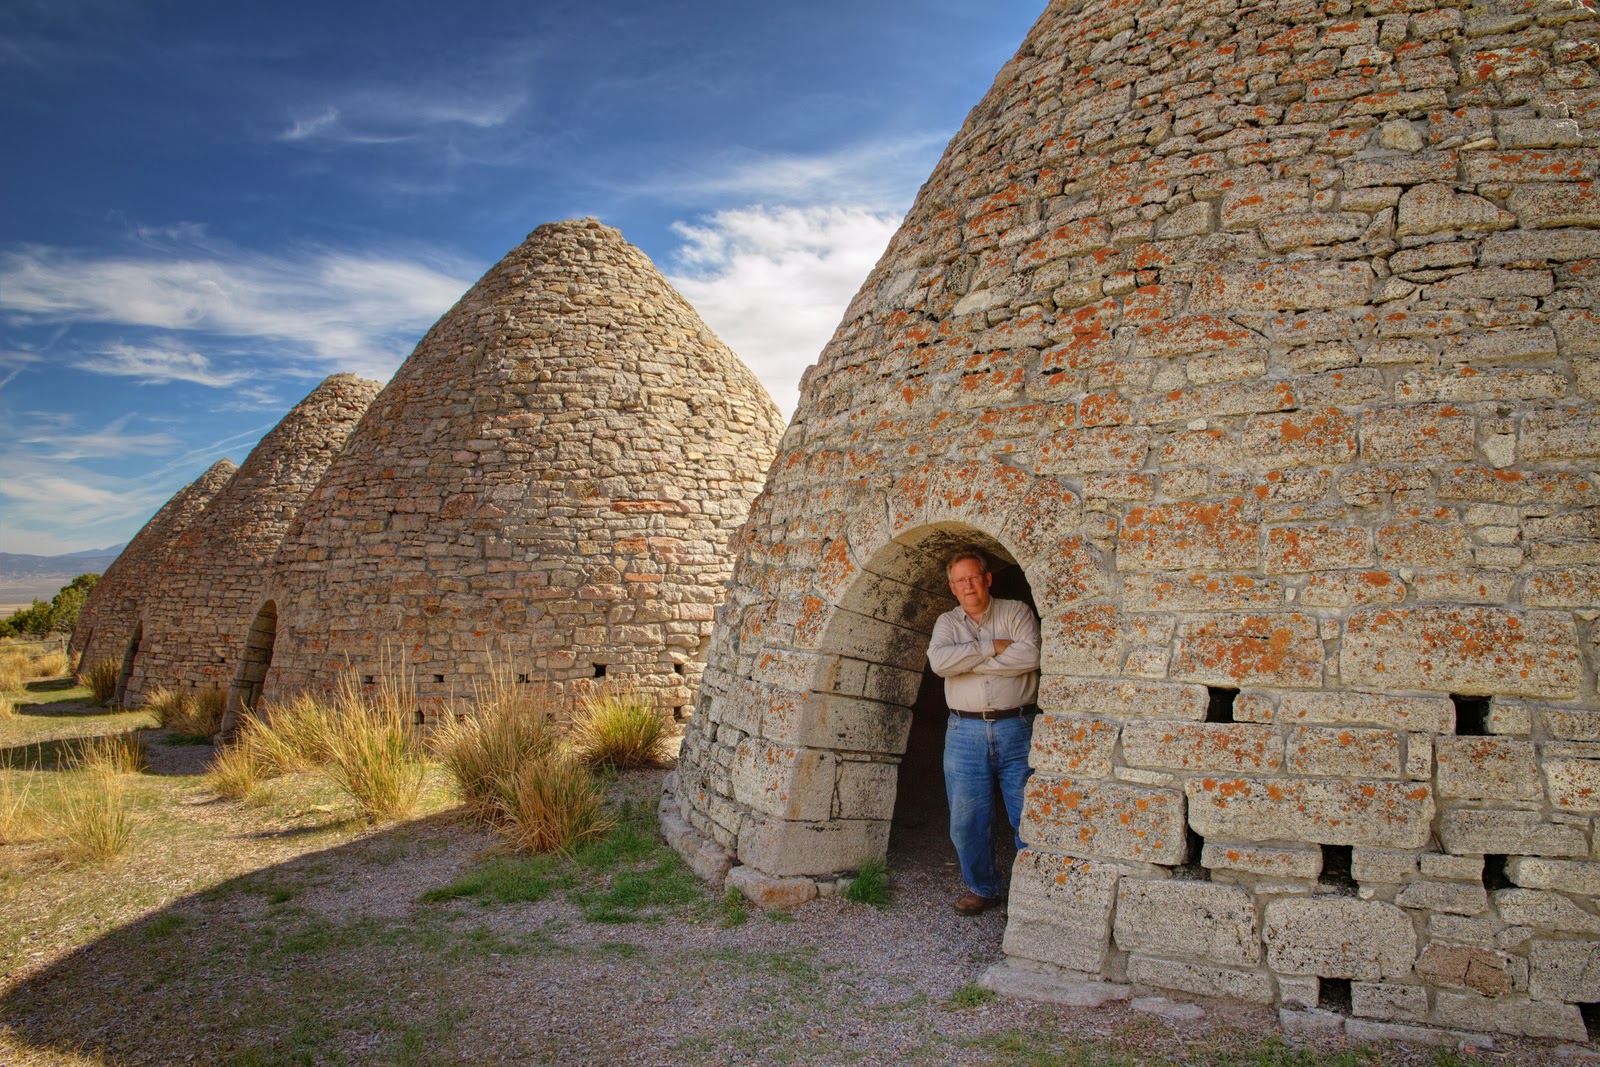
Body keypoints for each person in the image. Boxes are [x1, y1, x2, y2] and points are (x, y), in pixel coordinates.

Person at [927, 549, 1040, 914]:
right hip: (965, 731)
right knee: (966, 820)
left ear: (987, 579)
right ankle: (983, 887)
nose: (968, 586)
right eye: (961, 581)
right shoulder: (947, 622)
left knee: (1026, 813)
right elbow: (940, 663)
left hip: (1016, 727)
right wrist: (992, 648)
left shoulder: (1016, 611)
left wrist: (968, 661)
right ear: (952, 587)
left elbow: (1031, 656)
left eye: (974, 577)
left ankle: (1032, 898)